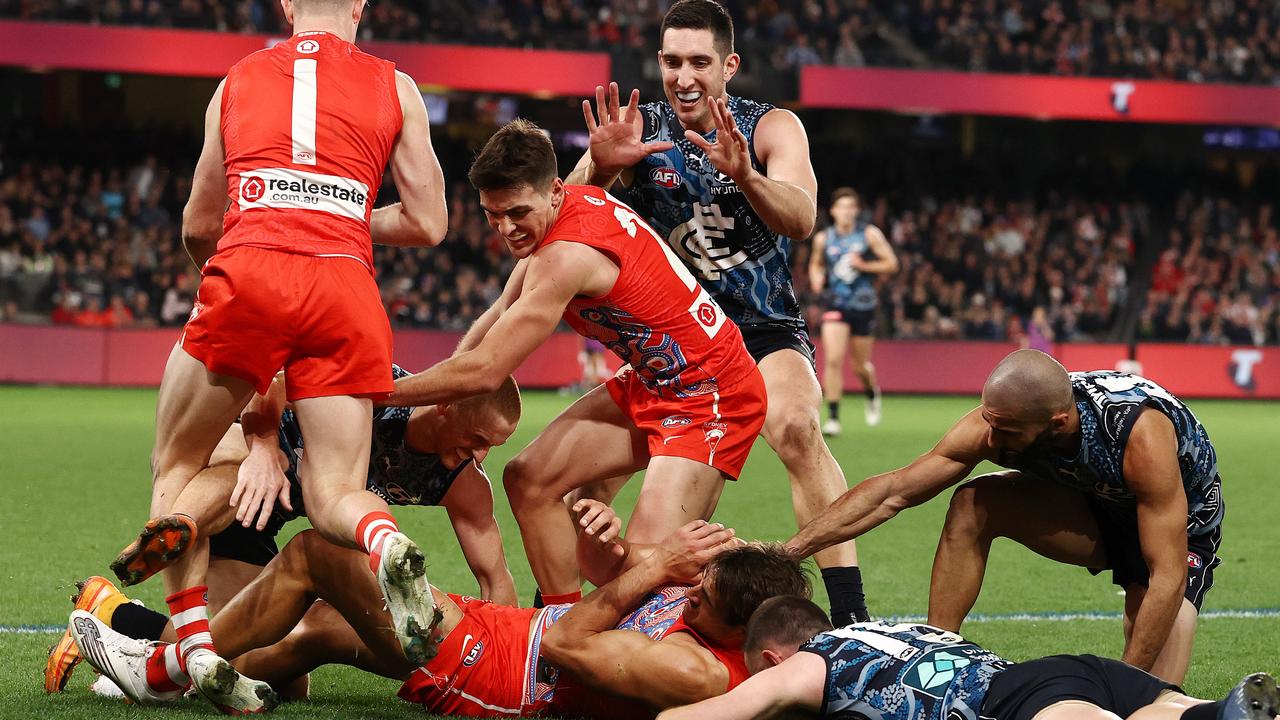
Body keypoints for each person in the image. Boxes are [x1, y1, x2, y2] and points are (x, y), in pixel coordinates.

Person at [115, 0, 449, 712]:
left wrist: (241, 265)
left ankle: (195, 649)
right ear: (360, 4)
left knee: (177, 464)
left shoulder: (236, 79)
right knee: (332, 493)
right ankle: (386, 542)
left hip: (251, 270)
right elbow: (428, 221)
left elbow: (200, 223)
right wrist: (341, 213)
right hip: (345, 284)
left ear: (286, 5)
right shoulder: (398, 86)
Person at [567, 0, 868, 624]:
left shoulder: (769, 128)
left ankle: (850, 615)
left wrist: (747, 177)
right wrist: (597, 165)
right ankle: (574, 620)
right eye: (672, 61)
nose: (684, 77)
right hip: (672, 343)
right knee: (581, 490)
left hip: (760, 331)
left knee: (796, 428)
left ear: (728, 66)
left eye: (700, 62)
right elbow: (560, 224)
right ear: (658, 63)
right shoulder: (636, 131)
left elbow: (803, 217)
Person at [386, 119, 768, 609]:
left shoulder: (566, 256)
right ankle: (561, 627)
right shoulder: (565, 211)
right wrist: (448, 395)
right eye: (491, 214)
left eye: (517, 212)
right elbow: (499, 314)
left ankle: (745, 601)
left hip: (713, 393)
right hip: (655, 380)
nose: (505, 228)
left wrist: (370, 390)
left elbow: (486, 371)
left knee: (650, 574)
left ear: (553, 192)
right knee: (528, 480)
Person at [45, 367, 521, 696]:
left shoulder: (463, 483)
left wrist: (503, 667)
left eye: (492, 448)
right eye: (478, 440)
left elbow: (495, 578)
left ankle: (112, 614)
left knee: (276, 673)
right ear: (445, 406)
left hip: (272, 517)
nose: (481, 457)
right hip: (246, 475)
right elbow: (275, 380)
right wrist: (265, 444)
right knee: (240, 467)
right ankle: (184, 520)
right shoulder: (375, 388)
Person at [69, 518, 812, 718]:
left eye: (699, 599)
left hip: (494, 673)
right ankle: (163, 666)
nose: (686, 595)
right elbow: (622, 586)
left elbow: (566, 640)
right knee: (326, 626)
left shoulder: (696, 671)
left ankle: (156, 670)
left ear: (737, 630)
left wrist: (649, 572)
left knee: (314, 555)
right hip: (496, 636)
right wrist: (624, 551)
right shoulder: (723, 612)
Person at [786, 349, 1224, 683]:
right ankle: (939, 652)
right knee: (974, 501)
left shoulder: (1140, 434)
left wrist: (1124, 689)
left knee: (1152, 688)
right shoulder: (1001, 420)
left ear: (1056, 423)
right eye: (990, 422)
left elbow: (1167, 573)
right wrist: (793, 550)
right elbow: (893, 492)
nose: (991, 438)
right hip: (1092, 506)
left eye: (1006, 432)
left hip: (1181, 531)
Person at [656, 595, 1280, 720]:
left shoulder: (807, 666)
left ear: (773, 656)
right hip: (1064, 674)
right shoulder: (899, 626)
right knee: (1179, 713)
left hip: (1012, 702)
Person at [808, 188, 897, 433]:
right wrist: (816, 278)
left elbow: (891, 263)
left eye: (851, 207)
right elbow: (815, 265)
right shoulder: (824, 238)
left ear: (856, 211)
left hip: (863, 304)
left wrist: (865, 265)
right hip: (836, 303)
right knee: (833, 359)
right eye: (842, 207)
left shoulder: (868, 234)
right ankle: (834, 417)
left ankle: (871, 390)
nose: (846, 212)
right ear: (834, 211)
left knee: (860, 365)